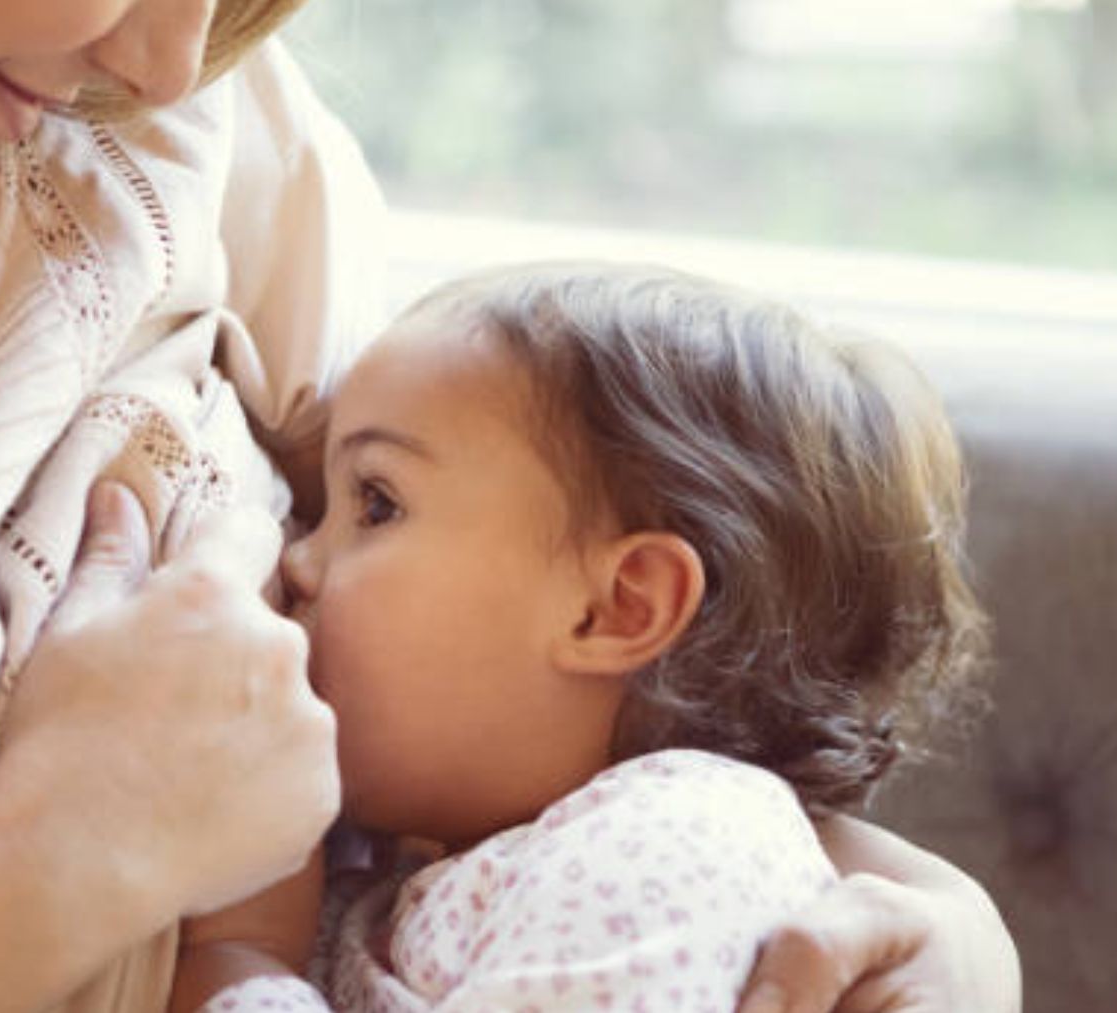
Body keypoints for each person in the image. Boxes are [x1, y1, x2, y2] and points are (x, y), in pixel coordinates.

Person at [0, 1, 1016, 1010]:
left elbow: (583, 683)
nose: (168, 61)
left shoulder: (190, 115)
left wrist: (939, 939)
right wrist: (68, 844)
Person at [167, 263, 1002, 1012]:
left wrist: (239, 958)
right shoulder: (453, 844)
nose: (297, 557)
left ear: (618, 609)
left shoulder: (670, 856)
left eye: (377, 503)